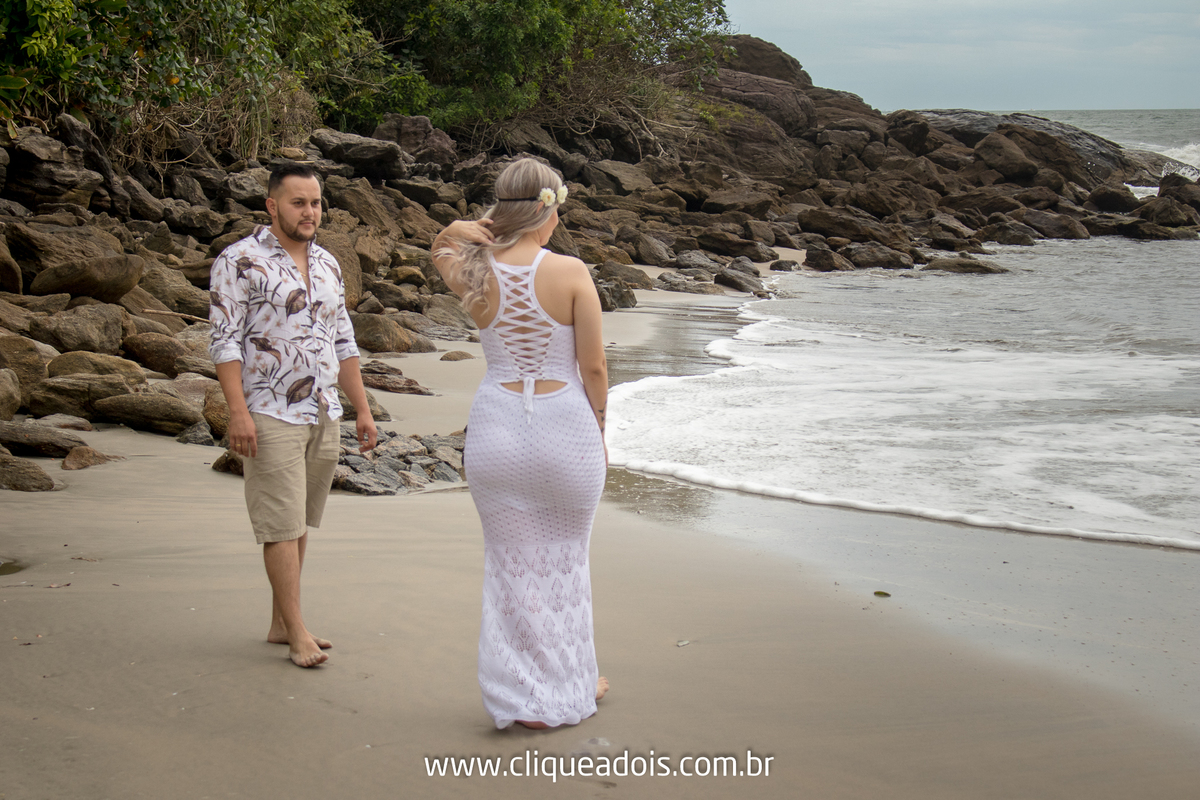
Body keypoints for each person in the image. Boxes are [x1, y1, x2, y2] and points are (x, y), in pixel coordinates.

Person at [432, 158, 610, 729]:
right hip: (565, 429)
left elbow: (438, 251)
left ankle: (523, 696)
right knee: (566, 563)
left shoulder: (473, 268)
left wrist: (453, 231)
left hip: (498, 429)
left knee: (512, 568)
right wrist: (599, 432)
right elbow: (595, 368)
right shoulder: (572, 272)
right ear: (549, 208)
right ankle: (571, 680)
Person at [208, 161, 377, 668]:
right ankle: (298, 630)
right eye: (298, 202)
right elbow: (224, 341)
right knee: (279, 523)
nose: (309, 212)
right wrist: (237, 413)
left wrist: (362, 410)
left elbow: (343, 339)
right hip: (268, 408)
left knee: (299, 519)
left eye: (316, 203)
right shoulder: (237, 261)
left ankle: (282, 622)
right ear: (272, 205)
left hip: (322, 407)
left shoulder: (327, 263)